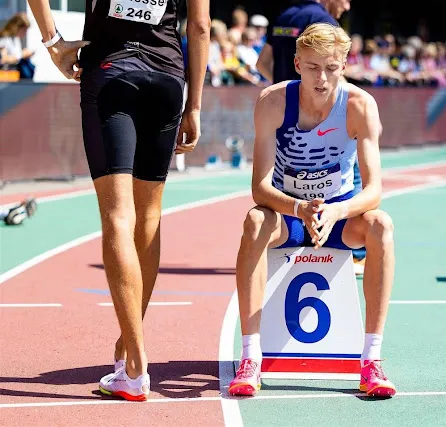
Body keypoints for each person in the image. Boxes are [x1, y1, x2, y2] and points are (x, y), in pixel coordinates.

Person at [26, 0, 210, 401]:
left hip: (111, 72)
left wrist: (54, 41)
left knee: (118, 216)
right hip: (166, 76)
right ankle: (130, 344)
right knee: (148, 214)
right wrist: (194, 105)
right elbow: (199, 26)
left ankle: (135, 360)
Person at [229, 23, 397, 398]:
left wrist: (336, 213)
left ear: (344, 65)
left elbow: (375, 190)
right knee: (255, 221)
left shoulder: (359, 106)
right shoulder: (272, 101)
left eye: (331, 68)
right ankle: (250, 357)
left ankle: (371, 360)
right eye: (312, 67)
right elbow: (259, 187)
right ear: (296, 64)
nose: (322, 78)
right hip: (290, 213)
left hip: (338, 215)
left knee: (381, 226)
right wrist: (298, 207)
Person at [256, 0, 366, 277]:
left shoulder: (284, 14)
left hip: (286, 108)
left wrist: (293, 85)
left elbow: (261, 62)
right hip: (317, 112)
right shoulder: (322, 20)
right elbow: (330, 66)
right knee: (347, 175)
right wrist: (316, 89)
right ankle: (354, 254)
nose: (347, 5)